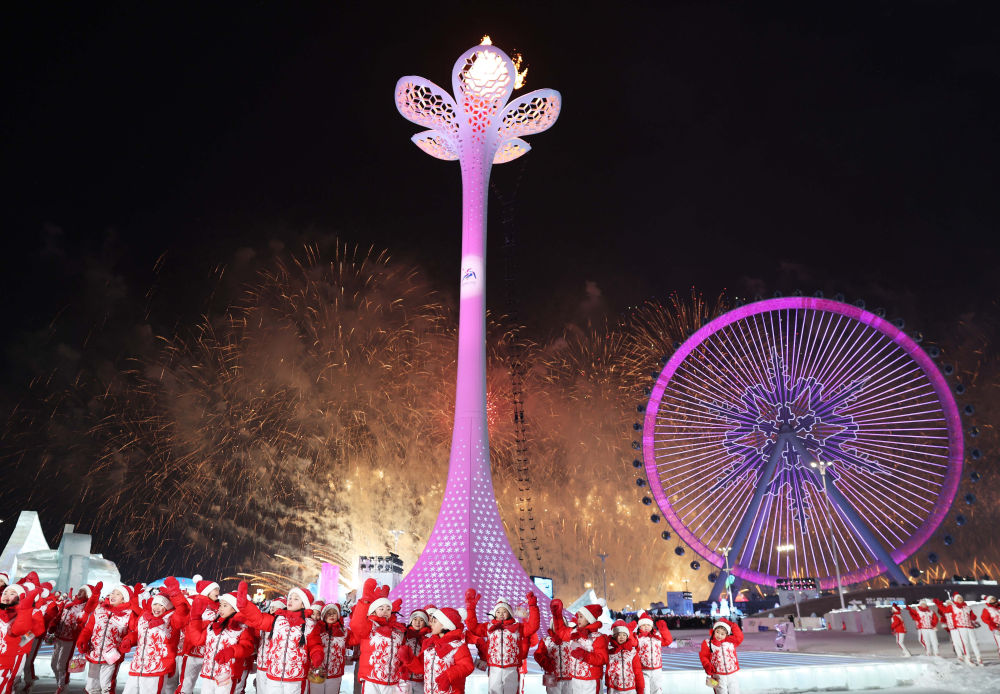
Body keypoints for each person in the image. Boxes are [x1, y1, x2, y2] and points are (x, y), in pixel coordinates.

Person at [237, 582, 314, 694]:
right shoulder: (277, 620)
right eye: (290, 598)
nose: (291, 600)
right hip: (274, 675)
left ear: (304, 605)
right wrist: (244, 604)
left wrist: (317, 655)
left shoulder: (310, 625)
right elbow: (259, 619)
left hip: (295, 677)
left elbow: (315, 644)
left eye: (296, 599)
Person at [121, 577, 190, 694]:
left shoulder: (171, 619)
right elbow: (137, 633)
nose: (156, 608)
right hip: (138, 666)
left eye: (161, 605)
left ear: (168, 607)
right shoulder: (144, 617)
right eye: (155, 604)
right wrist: (128, 640)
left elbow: (183, 613)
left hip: (157, 667)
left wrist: (176, 595)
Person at [464, 590, 539, 694]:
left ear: (510, 613)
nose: (501, 614)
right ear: (495, 613)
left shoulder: (518, 627)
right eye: (498, 612)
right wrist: (470, 608)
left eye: (504, 611)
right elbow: (473, 627)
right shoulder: (488, 627)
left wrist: (533, 606)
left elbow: (533, 626)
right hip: (494, 667)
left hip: (511, 668)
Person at [186, 591, 255, 694]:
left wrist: (232, 651)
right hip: (208, 674)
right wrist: (195, 619)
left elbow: (248, 648)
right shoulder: (212, 626)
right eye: (220, 605)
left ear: (235, 608)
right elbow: (197, 640)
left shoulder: (242, 628)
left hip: (227, 676)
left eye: (225, 605)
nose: (221, 608)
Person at [77, 584, 139, 694]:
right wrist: (83, 639)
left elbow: (135, 632)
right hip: (94, 652)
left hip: (112, 655)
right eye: (112, 593)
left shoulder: (128, 614)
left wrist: (128, 641)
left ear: (124, 599)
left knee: (107, 686)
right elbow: (88, 628)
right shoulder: (99, 609)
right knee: (91, 686)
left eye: (118, 594)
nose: (113, 595)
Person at [396, 608, 474, 694]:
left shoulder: (458, 646)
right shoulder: (430, 645)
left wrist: (448, 675)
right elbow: (423, 668)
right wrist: (410, 659)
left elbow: (467, 666)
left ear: (445, 625)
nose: (430, 624)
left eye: (434, 621)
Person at [348, 579, 406, 694]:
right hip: (371, 679)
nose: (385, 611)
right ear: (373, 611)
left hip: (391, 680)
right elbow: (357, 624)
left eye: (388, 609)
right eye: (381, 608)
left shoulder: (397, 631)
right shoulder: (369, 626)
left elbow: (402, 652)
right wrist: (365, 600)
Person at [548, 599, 608, 694]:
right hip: (575, 679)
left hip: (591, 680)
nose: (578, 619)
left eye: (581, 617)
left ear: (589, 619)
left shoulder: (598, 637)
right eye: (578, 617)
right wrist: (557, 614)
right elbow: (561, 632)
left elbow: (603, 658)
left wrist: (584, 655)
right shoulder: (574, 632)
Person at [52, 585, 101, 694]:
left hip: (70, 640)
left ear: (87, 595)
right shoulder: (68, 603)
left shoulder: (85, 608)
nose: (80, 592)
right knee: (53, 664)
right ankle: (60, 683)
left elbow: (93, 602)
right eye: (80, 590)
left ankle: (62, 686)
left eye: (83, 591)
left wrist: (96, 594)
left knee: (62, 665)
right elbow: (59, 616)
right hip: (58, 637)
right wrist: (53, 625)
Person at [180, 580, 222, 694]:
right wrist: (209, 623)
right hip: (193, 651)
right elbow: (190, 624)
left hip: (210, 654)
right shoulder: (196, 605)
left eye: (218, 589)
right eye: (215, 589)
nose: (218, 591)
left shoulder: (219, 607)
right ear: (207, 591)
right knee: (187, 683)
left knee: (210, 685)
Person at [0, 582, 42, 694]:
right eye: (5, 593)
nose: (7, 596)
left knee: (14, 676)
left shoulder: (35, 612)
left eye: (12, 593)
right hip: (9, 651)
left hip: (19, 651)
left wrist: (20, 642)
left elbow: (36, 630)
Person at [307, 603, 357, 694]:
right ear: (323, 615)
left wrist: (355, 615)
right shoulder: (316, 629)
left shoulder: (345, 632)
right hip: (317, 670)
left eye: (334, 613)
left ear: (338, 615)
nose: (331, 615)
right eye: (328, 613)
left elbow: (356, 639)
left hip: (335, 673)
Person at [934, 594, 982, 666]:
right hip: (960, 627)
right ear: (955, 600)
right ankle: (967, 658)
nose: (960, 599)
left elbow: (973, 617)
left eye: (961, 597)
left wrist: (973, 619)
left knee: (974, 643)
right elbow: (943, 609)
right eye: (958, 598)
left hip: (969, 627)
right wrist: (937, 602)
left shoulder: (967, 607)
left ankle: (979, 659)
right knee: (964, 643)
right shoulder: (953, 607)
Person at [698, 618, 743, 694]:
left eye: (722, 634)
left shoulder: (731, 642)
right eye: (717, 632)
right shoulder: (708, 643)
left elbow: (739, 636)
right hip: (718, 675)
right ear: (714, 631)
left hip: (732, 674)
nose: (719, 635)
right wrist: (707, 666)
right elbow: (704, 656)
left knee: (735, 691)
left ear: (727, 635)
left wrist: (731, 624)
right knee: (721, 692)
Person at [251, 597, 285, 694]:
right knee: (260, 689)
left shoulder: (279, 623)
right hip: (261, 663)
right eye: (271, 607)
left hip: (271, 665)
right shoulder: (266, 619)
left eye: (276, 607)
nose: (272, 609)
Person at [633, 612, 670, 694]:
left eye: (648, 625)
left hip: (657, 669)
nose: (646, 627)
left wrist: (663, 629)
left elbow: (668, 641)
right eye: (643, 625)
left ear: (652, 626)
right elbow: (631, 642)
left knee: (657, 690)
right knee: (645, 690)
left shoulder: (657, 636)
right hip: (643, 669)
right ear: (639, 626)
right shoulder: (637, 637)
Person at [399, 607, 432, 694]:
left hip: (420, 680)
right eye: (415, 619)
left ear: (425, 623)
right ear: (411, 621)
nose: (417, 622)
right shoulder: (404, 634)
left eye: (421, 620)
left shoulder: (428, 639)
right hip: (403, 678)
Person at [605, 621, 643, 694]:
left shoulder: (632, 652)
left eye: (624, 635)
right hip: (614, 688)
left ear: (627, 636)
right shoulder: (610, 651)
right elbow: (607, 670)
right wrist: (608, 685)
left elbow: (638, 671)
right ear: (614, 636)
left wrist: (640, 689)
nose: (622, 637)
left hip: (630, 689)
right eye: (619, 635)